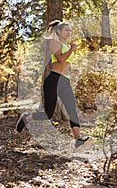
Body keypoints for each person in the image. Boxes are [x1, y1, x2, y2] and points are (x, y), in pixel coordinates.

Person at [16, 20, 89, 149]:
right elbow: (60, 59)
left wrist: (72, 70)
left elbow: (64, 64)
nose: (68, 33)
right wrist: (72, 49)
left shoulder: (66, 45)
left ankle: (78, 140)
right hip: (53, 80)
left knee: (72, 109)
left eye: (69, 30)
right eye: (66, 30)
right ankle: (26, 118)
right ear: (59, 31)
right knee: (48, 113)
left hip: (65, 81)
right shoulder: (55, 42)